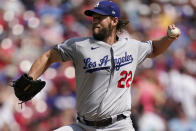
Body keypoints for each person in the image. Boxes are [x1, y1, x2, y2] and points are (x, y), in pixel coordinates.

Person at [17, 1, 181, 131]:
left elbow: (154, 48)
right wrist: (30, 77)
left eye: (100, 17)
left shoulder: (132, 46)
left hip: (119, 125)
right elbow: (48, 56)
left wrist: (168, 38)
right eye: (94, 17)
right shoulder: (79, 45)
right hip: (83, 126)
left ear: (115, 21)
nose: (95, 20)